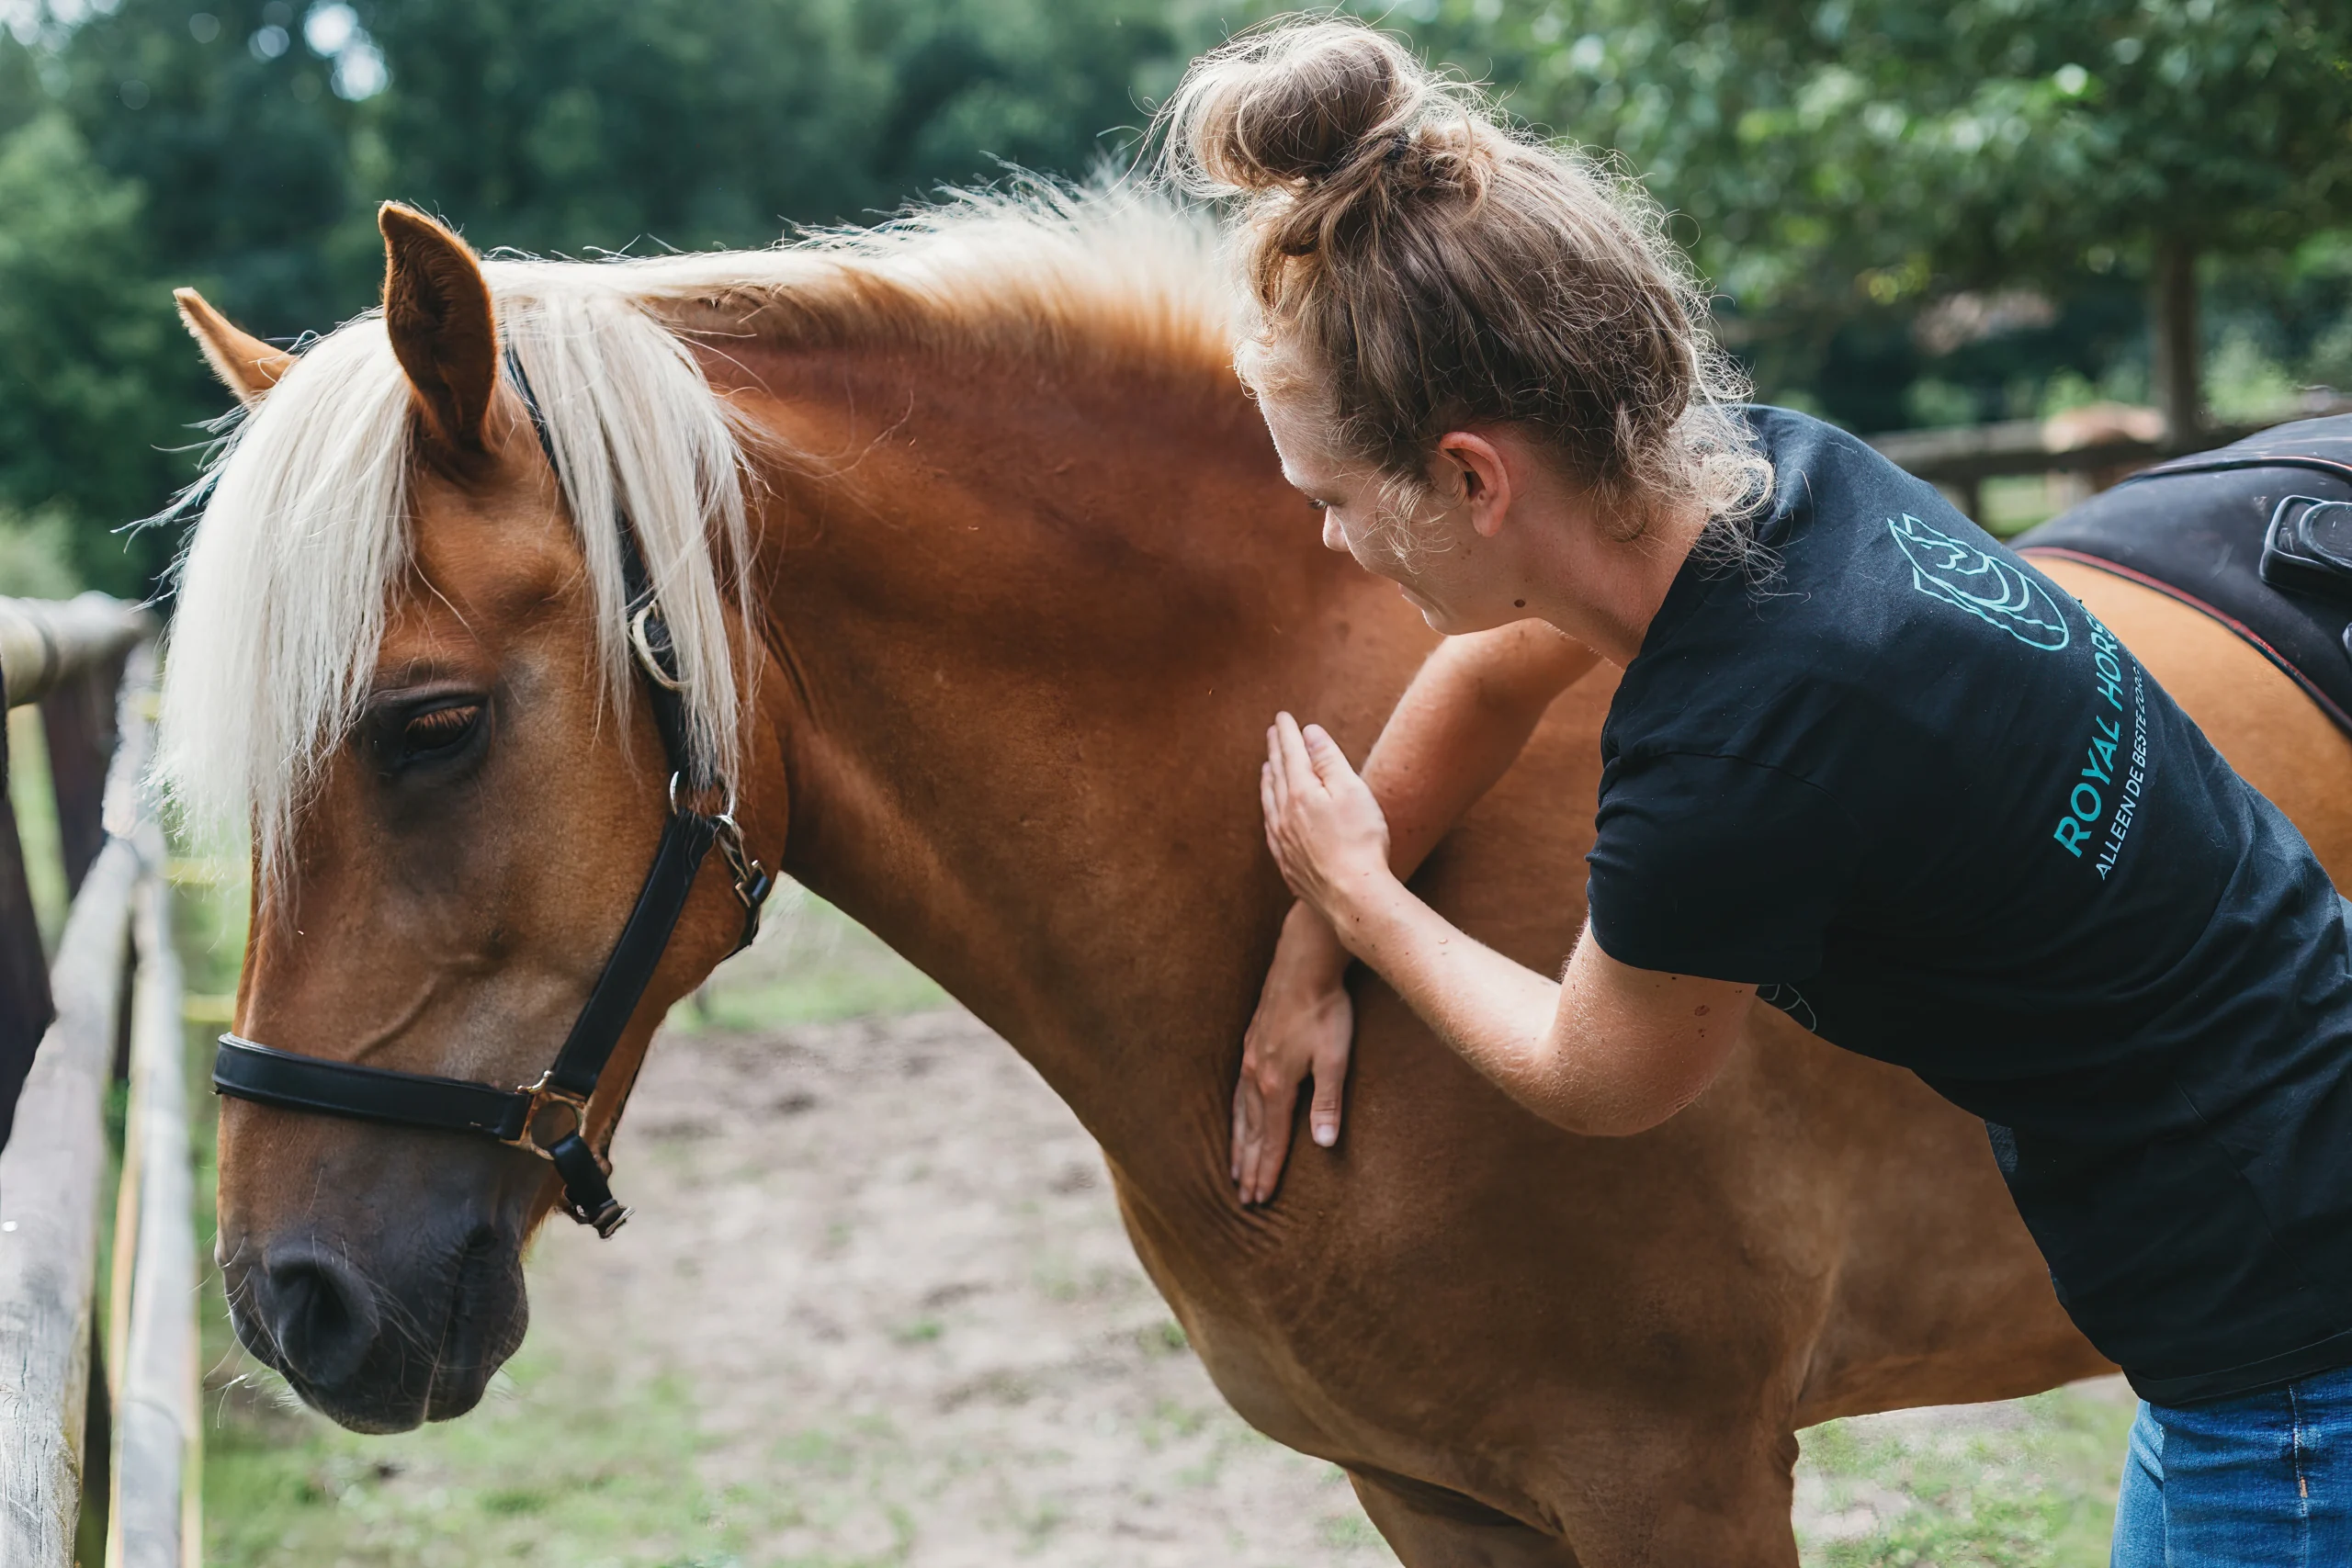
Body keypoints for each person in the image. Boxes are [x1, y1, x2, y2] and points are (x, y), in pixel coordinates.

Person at [1164, 17, 2352, 1565]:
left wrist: (1366, 900)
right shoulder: (1770, 480)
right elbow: (1499, 668)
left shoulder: (1736, 755)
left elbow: (1602, 1071)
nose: (1330, 541)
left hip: (2293, 1358)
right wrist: (1312, 945)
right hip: (2265, 1269)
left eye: (1333, 497)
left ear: (1471, 479)